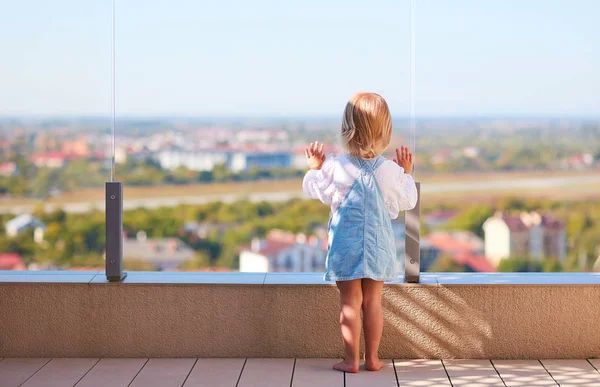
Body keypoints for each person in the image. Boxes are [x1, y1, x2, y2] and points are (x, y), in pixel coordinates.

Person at [302, 92, 418, 373]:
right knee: (373, 303)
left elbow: (313, 189)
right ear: (385, 133)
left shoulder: (336, 167)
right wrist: (406, 172)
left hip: (346, 248)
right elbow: (408, 200)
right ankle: (373, 359)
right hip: (378, 248)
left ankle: (350, 360)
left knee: (349, 304)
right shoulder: (389, 171)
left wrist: (315, 168)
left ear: (346, 131)